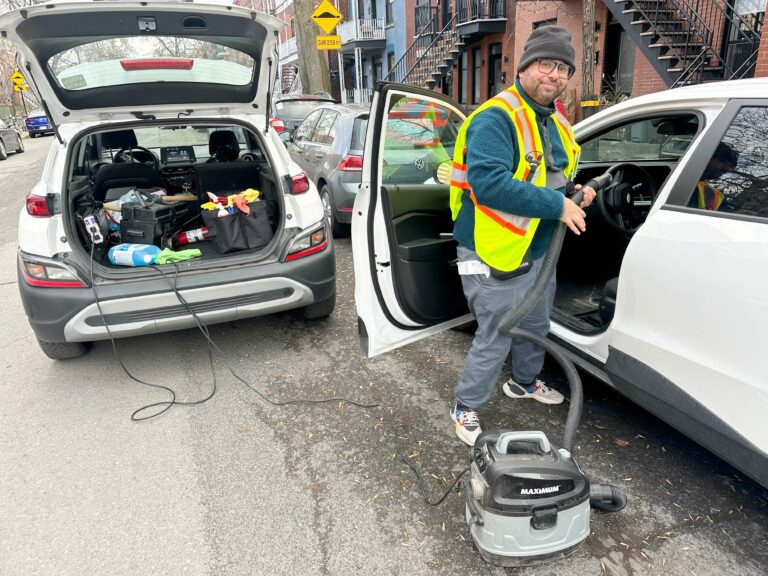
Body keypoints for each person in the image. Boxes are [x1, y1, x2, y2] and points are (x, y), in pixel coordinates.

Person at [448, 26, 597, 446]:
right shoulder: (496, 118)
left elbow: (551, 178)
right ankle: (465, 405)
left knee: (536, 321)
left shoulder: (554, 121)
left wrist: (575, 194)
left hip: (538, 248)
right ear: (525, 65)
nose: (555, 75)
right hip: (491, 248)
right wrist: (558, 206)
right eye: (546, 64)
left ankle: (524, 382)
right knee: (498, 330)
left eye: (564, 68)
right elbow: (490, 184)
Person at [688, 141, 738, 212]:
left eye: (731, 167)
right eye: (724, 162)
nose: (727, 169)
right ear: (707, 157)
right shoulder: (679, 180)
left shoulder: (716, 196)